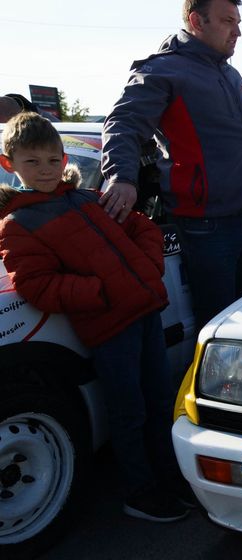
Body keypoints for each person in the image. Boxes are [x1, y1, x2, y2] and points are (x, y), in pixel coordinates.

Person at [0, 113, 187, 522]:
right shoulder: (18, 225)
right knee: (129, 411)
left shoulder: (88, 199)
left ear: (62, 157)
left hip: (145, 316)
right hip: (109, 328)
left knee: (159, 401)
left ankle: (169, 477)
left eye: (52, 160)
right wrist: (101, 292)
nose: (45, 170)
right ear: (9, 164)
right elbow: (37, 284)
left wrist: (146, 266)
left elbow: (143, 228)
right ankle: (140, 491)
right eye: (32, 162)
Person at [101, 0, 242, 332]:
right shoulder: (163, 70)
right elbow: (123, 122)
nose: (238, 31)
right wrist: (120, 176)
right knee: (221, 333)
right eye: (228, 21)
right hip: (207, 228)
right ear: (197, 20)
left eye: (238, 22)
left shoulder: (230, 73)